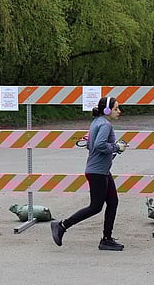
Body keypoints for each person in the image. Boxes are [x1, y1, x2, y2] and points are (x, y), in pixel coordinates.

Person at [50, 96, 127, 251]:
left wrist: (112, 148)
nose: (119, 111)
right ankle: (62, 225)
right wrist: (116, 147)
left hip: (101, 171)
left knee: (113, 202)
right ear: (106, 110)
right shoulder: (105, 124)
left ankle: (106, 239)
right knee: (95, 207)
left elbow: (89, 145)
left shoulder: (96, 122)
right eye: (116, 108)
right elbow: (99, 145)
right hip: (97, 172)